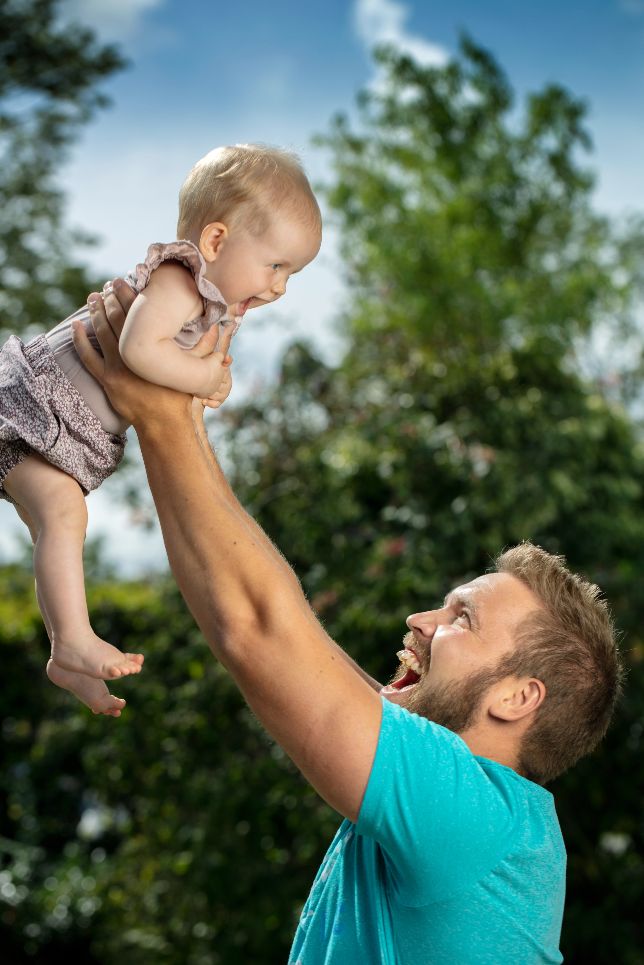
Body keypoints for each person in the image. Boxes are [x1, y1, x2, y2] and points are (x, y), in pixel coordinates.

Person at [74, 283, 622, 965]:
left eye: (462, 618)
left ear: (515, 697)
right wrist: (173, 410)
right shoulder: (460, 812)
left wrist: (155, 407)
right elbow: (262, 634)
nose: (420, 619)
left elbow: (259, 632)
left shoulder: (478, 818)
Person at [0, 144, 322, 717]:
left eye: (291, 274)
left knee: (59, 518)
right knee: (63, 516)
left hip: (50, 437)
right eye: (276, 265)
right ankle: (71, 641)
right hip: (29, 410)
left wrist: (204, 381)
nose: (279, 288)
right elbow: (138, 351)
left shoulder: (208, 304)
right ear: (217, 242)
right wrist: (202, 374)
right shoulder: (177, 279)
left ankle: (65, 647)